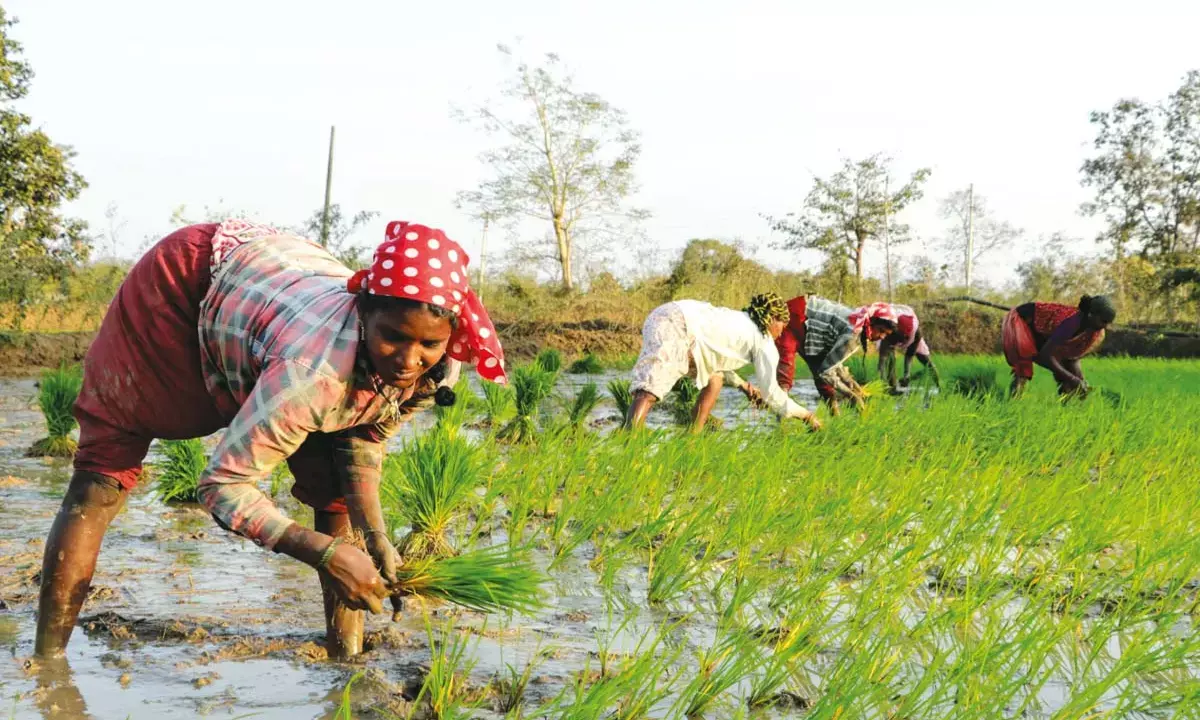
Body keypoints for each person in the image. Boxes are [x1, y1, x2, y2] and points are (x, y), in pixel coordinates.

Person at [35, 219, 506, 660]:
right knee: (102, 477)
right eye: (393, 337)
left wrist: (373, 533)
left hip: (277, 284)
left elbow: (362, 437)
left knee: (334, 492)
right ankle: (49, 663)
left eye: (427, 344)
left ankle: (345, 661)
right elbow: (220, 487)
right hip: (188, 283)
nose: (408, 359)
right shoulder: (311, 373)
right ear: (362, 314)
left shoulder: (437, 369)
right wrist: (322, 552)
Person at [624, 293, 821, 432]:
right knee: (650, 389)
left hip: (668, 314)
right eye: (782, 326)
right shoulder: (763, 340)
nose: (781, 333)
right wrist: (806, 416)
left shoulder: (740, 320)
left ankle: (693, 436)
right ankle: (631, 443)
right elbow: (772, 394)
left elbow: (716, 360)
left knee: (715, 379)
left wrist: (743, 386)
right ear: (773, 319)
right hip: (677, 324)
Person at [775, 296, 898, 414]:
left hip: (810, 327)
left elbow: (833, 364)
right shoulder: (854, 333)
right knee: (785, 375)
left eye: (885, 334)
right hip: (796, 316)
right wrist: (852, 396)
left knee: (822, 375)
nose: (881, 337)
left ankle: (835, 417)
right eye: (881, 330)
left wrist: (852, 385)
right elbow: (826, 372)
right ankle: (781, 421)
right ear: (871, 322)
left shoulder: (859, 325)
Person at [1002, 295, 1115, 397]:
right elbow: (1045, 356)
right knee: (1024, 368)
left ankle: (1068, 410)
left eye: (1108, 322)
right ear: (1091, 314)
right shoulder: (1071, 323)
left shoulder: (1095, 332)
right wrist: (1072, 378)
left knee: (1067, 376)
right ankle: (1013, 403)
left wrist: (1079, 379)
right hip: (1022, 320)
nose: (1106, 326)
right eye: (1103, 321)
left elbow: (1072, 357)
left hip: (1041, 332)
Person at [863, 303, 939, 391]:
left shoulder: (916, 334)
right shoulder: (888, 329)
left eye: (906, 337)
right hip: (892, 332)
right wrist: (882, 385)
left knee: (926, 360)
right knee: (888, 360)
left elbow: (909, 355)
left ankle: (939, 386)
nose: (903, 340)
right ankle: (889, 388)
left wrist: (907, 375)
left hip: (912, 334)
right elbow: (882, 361)